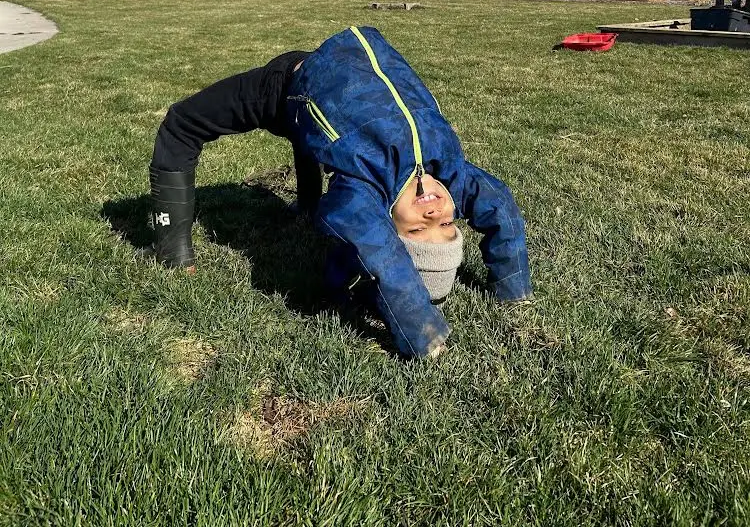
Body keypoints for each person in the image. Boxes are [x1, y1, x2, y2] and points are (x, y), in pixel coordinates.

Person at [149, 25, 531, 358]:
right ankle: (307, 203)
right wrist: (512, 288)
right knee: (322, 145)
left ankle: (173, 252)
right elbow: (501, 209)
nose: (434, 215)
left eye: (416, 231)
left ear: (385, 222)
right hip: (339, 69)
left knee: (182, 125)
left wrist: (422, 333)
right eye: (448, 224)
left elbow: (381, 257)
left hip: (283, 90)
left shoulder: (365, 191)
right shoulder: (448, 173)